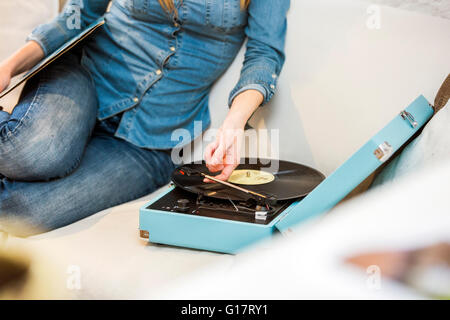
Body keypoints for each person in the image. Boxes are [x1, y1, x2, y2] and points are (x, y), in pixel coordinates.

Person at [0, 0, 289, 236]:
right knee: (33, 152)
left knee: (20, 211)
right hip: (84, 79)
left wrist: (234, 121)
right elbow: (79, 13)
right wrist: (9, 67)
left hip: (152, 141)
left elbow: (264, 53)